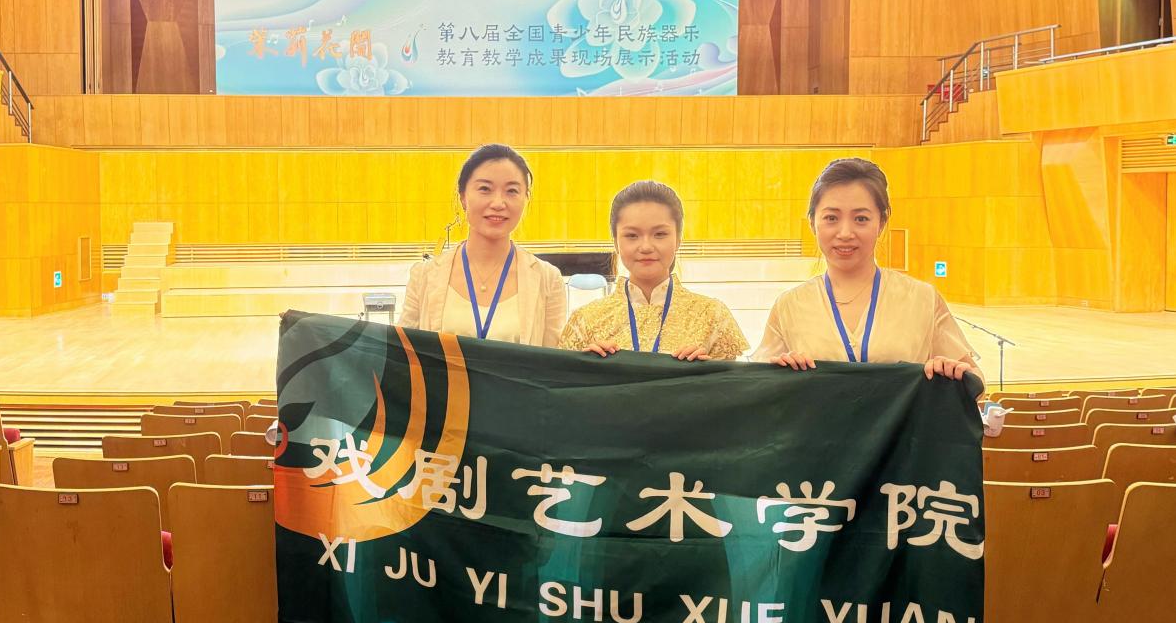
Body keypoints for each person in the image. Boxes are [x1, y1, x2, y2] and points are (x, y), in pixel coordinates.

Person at [751, 158, 982, 386]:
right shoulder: (789, 305)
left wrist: (955, 373)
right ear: (812, 223)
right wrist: (776, 373)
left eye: (861, 219)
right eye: (831, 218)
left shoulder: (922, 299)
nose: (845, 233)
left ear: (881, 223)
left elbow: (975, 381)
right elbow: (757, 385)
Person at [559, 181, 748, 361]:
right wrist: (587, 369)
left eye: (660, 234)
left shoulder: (713, 316)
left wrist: (706, 372)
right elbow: (560, 381)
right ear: (616, 241)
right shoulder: (584, 321)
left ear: (678, 239)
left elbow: (732, 383)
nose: (646, 247)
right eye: (632, 235)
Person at [399, 144, 564, 346]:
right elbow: (401, 354)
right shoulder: (424, 277)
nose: (498, 203)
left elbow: (557, 358)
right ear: (463, 197)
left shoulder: (548, 280)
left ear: (525, 198)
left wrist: (591, 356)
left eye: (512, 191)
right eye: (485, 189)